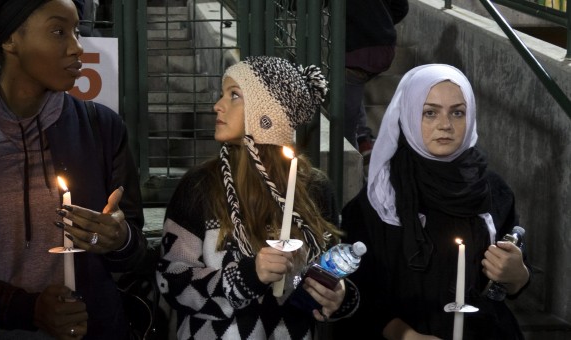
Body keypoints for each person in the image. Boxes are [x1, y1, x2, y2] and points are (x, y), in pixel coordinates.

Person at [0, 0, 145, 339]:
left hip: (87, 328)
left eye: (77, 31)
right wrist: (17, 306)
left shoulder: (102, 129)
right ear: (10, 40)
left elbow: (136, 253)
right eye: (58, 31)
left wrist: (117, 240)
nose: (77, 47)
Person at [156, 56, 360, 339]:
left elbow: (329, 271)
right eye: (222, 94)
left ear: (268, 115)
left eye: (234, 95)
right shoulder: (199, 186)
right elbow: (170, 282)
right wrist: (245, 277)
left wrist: (338, 297)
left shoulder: (314, 188)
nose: (218, 105)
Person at [335, 64, 529, 339]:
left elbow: (511, 278)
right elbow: (354, 294)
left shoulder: (493, 190)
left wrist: (517, 274)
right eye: (430, 113)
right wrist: (407, 336)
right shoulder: (379, 199)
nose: (445, 125)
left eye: (457, 112)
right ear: (409, 116)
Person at [344, 0, 409, 160]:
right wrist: (379, 23)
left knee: (344, 116)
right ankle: (363, 137)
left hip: (355, 50)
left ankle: (351, 161)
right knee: (351, 88)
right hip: (383, 46)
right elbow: (401, 7)